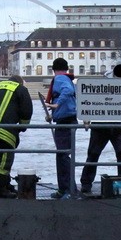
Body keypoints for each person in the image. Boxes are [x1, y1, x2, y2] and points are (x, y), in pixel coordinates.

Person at [0, 75, 34, 198]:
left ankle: (6, 185)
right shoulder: (20, 89)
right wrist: (23, 126)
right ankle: (1, 189)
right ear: (20, 83)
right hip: (5, 131)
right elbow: (26, 110)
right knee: (5, 161)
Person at [44, 57, 78, 198]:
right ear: (66, 68)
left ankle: (69, 190)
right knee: (62, 155)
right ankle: (64, 189)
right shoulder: (67, 78)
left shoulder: (60, 79)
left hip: (65, 121)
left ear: (54, 69)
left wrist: (57, 105)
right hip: (66, 119)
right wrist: (53, 115)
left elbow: (67, 91)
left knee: (63, 155)